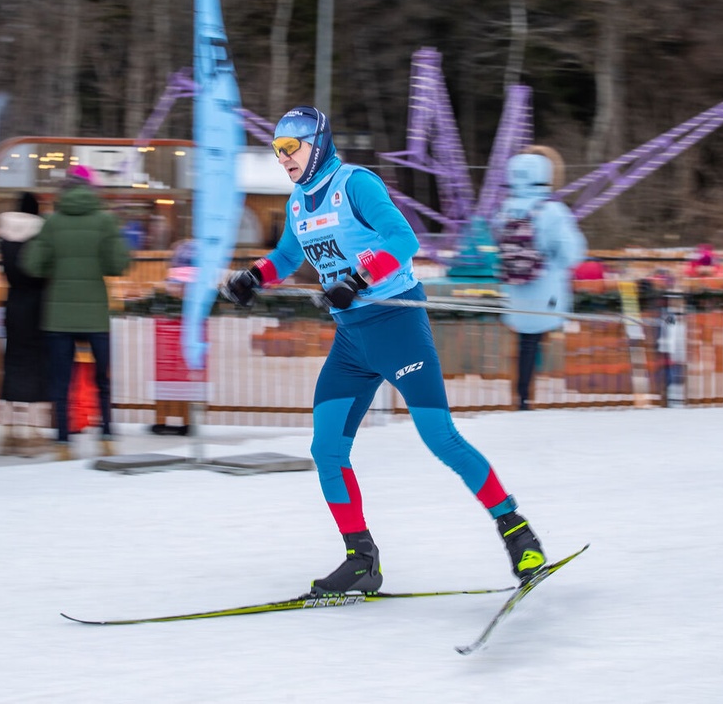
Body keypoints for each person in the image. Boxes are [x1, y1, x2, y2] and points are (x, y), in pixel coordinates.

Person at [221, 105, 547, 592]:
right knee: (326, 449)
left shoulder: (355, 184)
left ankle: (517, 532)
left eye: (292, 147)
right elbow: (289, 255)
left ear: (319, 142)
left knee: (439, 437)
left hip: (396, 326)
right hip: (352, 340)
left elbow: (404, 238)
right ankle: (361, 559)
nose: (284, 157)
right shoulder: (297, 203)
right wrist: (255, 277)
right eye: (277, 150)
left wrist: (358, 277)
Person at [21, 166, 131, 460]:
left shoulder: (51, 223)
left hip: (58, 316)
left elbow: (33, 266)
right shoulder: (105, 221)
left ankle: (63, 442)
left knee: (61, 380)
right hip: (95, 313)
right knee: (102, 379)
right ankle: (106, 434)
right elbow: (116, 265)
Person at [493, 146, 587, 411]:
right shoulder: (553, 211)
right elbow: (572, 253)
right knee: (541, 339)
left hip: (515, 290)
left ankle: (522, 396)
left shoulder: (504, 211)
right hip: (547, 290)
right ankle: (529, 397)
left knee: (526, 342)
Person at [0, 191, 51, 455]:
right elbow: (43, 271)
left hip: (13, 302)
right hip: (38, 305)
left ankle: (7, 431)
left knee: (13, 360)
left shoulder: (4, 236)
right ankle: (31, 431)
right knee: (36, 363)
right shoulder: (40, 236)